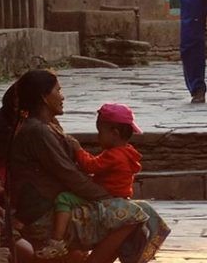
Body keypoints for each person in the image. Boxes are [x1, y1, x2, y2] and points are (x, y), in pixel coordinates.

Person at [9, 69, 169, 263]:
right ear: (44, 97)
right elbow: (69, 174)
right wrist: (106, 197)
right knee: (132, 214)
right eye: (58, 91)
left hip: (57, 205)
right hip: (43, 214)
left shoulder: (49, 125)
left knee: (143, 210)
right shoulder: (37, 131)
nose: (62, 96)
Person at [36, 103, 144, 259]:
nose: (98, 137)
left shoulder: (114, 155)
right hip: (120, 195)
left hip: (107, 195)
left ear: (114, 133)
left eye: (100, 132)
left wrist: (78, 149)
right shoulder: (128, 152)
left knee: (64, 198)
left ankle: (57, 240)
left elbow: (90, 165)